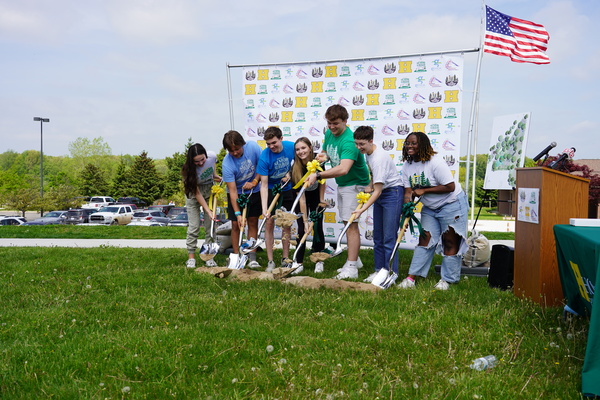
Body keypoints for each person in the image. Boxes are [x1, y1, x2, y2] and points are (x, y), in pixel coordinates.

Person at [397, 131, 469, 290]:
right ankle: (411, 278)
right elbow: (408, 191)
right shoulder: (407, 166)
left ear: (422, 145)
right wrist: (406, 212)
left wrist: (425, 190)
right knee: (425, 239)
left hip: (452, 204)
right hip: (430, 207)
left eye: (414, 143)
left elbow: (450, 187)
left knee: (450, 241)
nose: (410, 146)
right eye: (407, 143)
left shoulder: (435, 162)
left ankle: (447, 280)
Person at [305, 105, 370, 279]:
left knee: (351, 225)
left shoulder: (349, 141)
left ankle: (351, 268)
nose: (332, 127)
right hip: (344, 185)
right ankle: (355, 260)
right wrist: (322, 157)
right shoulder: (329, 133)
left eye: (335, 123)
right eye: (329, 123)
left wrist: (317, 175)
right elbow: (326, 151)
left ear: (345, 122)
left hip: (356, 184)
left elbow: (343, 168)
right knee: (346, 222)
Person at [352, 126, 404, 283]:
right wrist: (369, 185)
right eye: (356, 144)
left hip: (392, 194)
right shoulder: (368, 153)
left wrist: (361, 210)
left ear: (371, 141)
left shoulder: (379, 159)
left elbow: (378, 192)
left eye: (361, 144)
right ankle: (378, 271)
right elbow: (375, 179)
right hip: (382, 191)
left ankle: (390, 274)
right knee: (378, 237)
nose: (358, 147)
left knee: (389, 237)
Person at [257, 126, 295, 272]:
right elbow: (264, 185)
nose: (271, 146)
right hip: (272, 190)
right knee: (269, 223)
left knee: (286, 223)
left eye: (274, 142)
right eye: (268, 144)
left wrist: (291, 174)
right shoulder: (264, 157)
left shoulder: (291, 147)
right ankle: (270, 260)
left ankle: (285, 258)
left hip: (287, 189)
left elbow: (300, 163)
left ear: (281, 139)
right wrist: (264, 209)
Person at [222, 130, 263, 268]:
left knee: (252, 222)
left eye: (237, 149)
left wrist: (255, 182)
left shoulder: (253, 147)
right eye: (231, 150)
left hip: (254, 190)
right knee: (235, 225)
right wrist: (238, 214)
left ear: (242, 144)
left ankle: (252, 257)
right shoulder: (227, 163)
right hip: (237, 194)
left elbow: (261, 166)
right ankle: (236, 256)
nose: (235, 153)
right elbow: (232, 191)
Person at [290, 137, 327, 274]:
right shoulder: (295, 168)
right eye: (298, 149)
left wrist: (321, 200)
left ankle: (319, 259)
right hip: (301, 198)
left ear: (310, 148)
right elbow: (302, 199)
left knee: (317, 227)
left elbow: (323, 182)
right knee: (301, 230)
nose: (301, 151)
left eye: (303, 148)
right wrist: (305, 221)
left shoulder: (318, 162)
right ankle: (298, 262)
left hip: (316, 196)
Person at [182, 143, 221, 268]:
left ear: (206, 155)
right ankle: (191, 258)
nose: (200, 163)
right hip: (193, 196)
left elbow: (212, 167)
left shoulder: (212, 156)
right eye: (196, 161)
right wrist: (208, 211)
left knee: (211, 226)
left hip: (209, 192)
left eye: (202, 159)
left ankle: (208, 256)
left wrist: (215, 176)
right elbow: (197, 193)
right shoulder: (187, 171)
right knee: (194, 227)